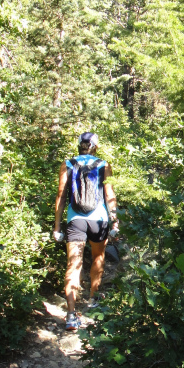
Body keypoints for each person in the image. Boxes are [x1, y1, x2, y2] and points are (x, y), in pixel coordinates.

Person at [53, 132, 119, 331]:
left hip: (76, 220)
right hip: (98, 220)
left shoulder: (68, 164)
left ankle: (71, 315)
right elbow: (109, 195)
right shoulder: (103, 164)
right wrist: (115, 222)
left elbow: (61, 196)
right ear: (95, 146)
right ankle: (93, 300)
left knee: (73, 265)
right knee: (98, 258)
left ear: (79, 145)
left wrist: (57, 227)